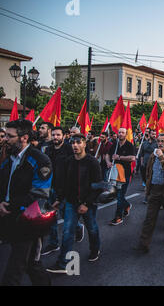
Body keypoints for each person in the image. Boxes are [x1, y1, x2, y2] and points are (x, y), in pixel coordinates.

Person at [0, 119, 52, 285]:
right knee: (31, 264)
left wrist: (11, 206)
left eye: (10, 136)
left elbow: (39, 193)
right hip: (7, 218)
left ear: (24, 137)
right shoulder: (9, 158)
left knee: (14, 271)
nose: (5, 139)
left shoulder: (40, 160)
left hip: (28, 221)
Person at [46, 133, 102, 273]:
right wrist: (59, 198)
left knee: (92, 229)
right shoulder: (68, 161)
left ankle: (95, 250)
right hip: (71, 203)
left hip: (88, 204)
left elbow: (98, 186)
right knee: (67, 232)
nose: (75, 145)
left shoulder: (92, 162)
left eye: (78, 142)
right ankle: (63, 263)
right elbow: (65, 183)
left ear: (84, 144)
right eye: (73, 143)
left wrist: (87, 204)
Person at [133, 133, 164, 253]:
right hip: (155, 190)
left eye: (163, 141)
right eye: (158, 141)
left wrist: (162, 157)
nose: (160, 143)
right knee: (149, 218)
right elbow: (149, 172)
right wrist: (148, 187)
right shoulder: (153, 155)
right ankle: (144, 244)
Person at [42, 127, 84, 256]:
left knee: (66, 216)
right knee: (50, 217)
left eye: (58, 135)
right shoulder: (48, 149)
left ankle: (78, 227)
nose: (55, 137)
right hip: (50, 187)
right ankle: (53, 243)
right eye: (53, 135)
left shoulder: (68, 149)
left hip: (65, 189)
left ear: (63, 136)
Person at [106, 127, 136, 225]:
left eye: (123, 132)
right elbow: (107, 154)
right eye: (119, 132)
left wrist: (119, 157)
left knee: (120, 195)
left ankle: (118, 217)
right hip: (115, 174)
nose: (120, 134)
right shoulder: (114, 145)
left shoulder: (129, 145)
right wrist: (108, 162)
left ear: (126, 134)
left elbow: (132, 157)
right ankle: (127, 205)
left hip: (125, 174)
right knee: (117, 195)